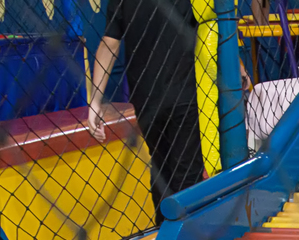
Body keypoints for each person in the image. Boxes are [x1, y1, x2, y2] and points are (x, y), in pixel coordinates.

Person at [87, 0, 211, 221]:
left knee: (162, 169)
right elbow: (210, 28)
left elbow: (110, 42)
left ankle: (166, 236)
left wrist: (95, 99)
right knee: (186, 176)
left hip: (147, 96)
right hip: (184, 92)